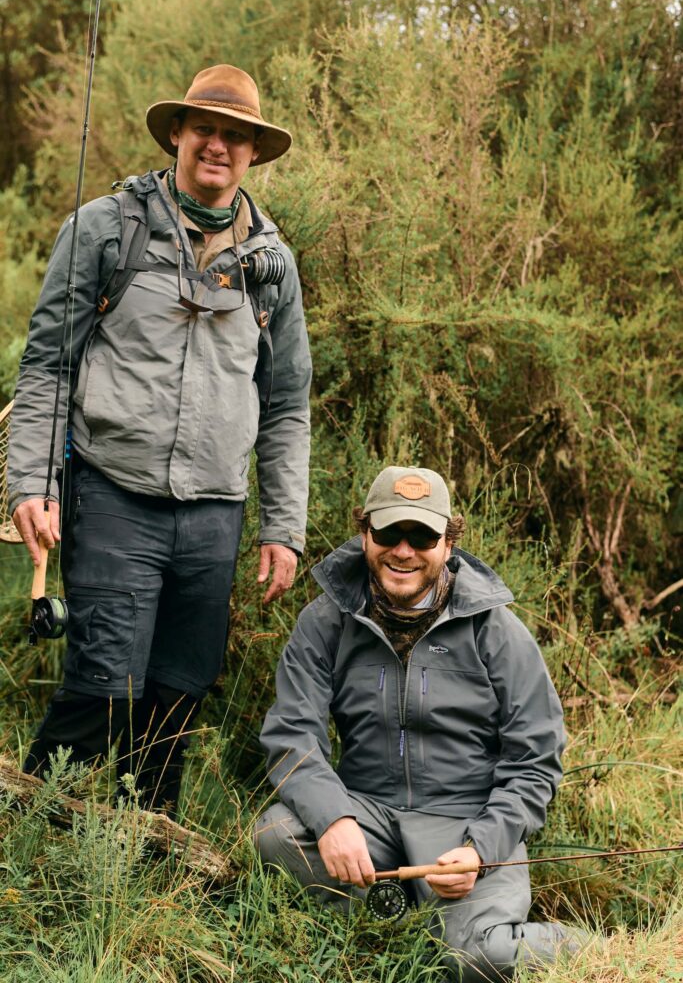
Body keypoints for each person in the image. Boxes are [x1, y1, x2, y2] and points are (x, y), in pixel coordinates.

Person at [8, 64, 311, 813]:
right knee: (106, 685)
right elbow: (47, 364)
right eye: (204, 128)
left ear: (252, 153)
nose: (218, 145)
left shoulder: (271, 265)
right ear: (176, 132)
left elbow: (286, 405)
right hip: (113, 494)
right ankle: (31, 829)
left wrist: (283, 527)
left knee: (180, 691)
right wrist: (32, 484)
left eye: (235, 136)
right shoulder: (106, 228)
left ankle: (148, 843)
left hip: (215, 512)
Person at [255, 466, 590, 981]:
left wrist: (481, 849)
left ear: (448, 544)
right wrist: (333, 818)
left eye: (422, 536)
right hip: (366, 816)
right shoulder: (324, 622)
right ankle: (394, 932)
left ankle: (593, 948)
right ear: (365, 534)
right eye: (389, 533)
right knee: (277, 831)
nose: (403, 551)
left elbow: (536, 761)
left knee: (478, 959)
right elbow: (291, 735)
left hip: (464, 826)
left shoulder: (498, 630)